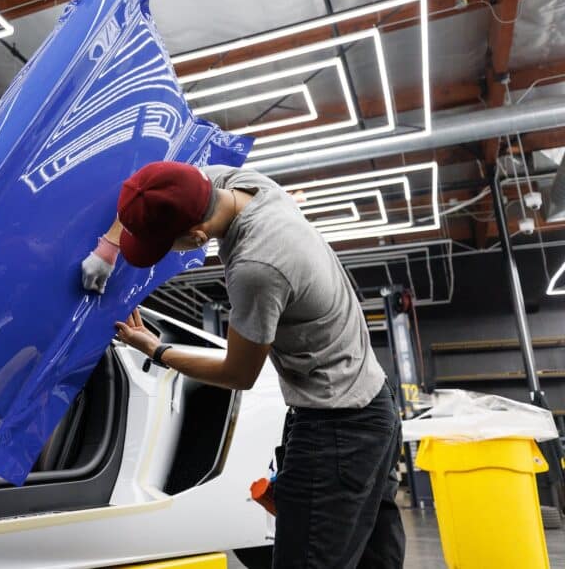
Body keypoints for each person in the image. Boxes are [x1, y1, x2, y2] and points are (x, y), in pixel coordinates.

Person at [81, 161, 405, 569]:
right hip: (373, 402)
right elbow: (149, 185)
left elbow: (239, 374)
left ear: (197, 237)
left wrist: (157, 351)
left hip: (337, 427)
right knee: (375, 557)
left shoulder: (257, 269)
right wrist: (109, 247)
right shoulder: (238, 183)